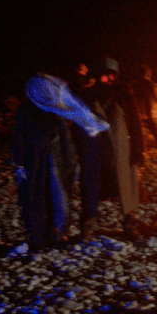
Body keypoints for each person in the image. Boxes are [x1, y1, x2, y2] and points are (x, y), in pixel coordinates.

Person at [13, 72, 109, 250]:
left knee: (58, 196)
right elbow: (19, 138)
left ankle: (57, 231)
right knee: (37, 196)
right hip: (36, 159)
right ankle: (38, 235)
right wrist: (19, 163)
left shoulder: (49, 107)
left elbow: (63, 135)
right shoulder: (26, 109)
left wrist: (70, 158)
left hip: (53, 157)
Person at [93, 58, 145, 239]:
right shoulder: (92, 93)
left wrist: (139, 149)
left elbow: (135, 121)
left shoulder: (124, 91)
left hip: (122, 147)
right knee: (92, 186)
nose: (107, 77)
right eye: (103, 73)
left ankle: (130, 223)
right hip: (98, 147)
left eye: (110, 73)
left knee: (126, 186)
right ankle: (88, 224)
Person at [67, 61, 103, 241]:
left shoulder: (66, 89)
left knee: (67, 184)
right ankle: (87, 222)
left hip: (72, 141)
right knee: (88, 181)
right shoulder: (87, 90)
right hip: (86, 141)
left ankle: (62, 227)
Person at [130, 64, 157, 149]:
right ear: (149, 74)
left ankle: (142, 154)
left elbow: (131, 100)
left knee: (141, 137)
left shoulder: (133, 85)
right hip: (152, 115)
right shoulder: (153, 85)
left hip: (139, 115)